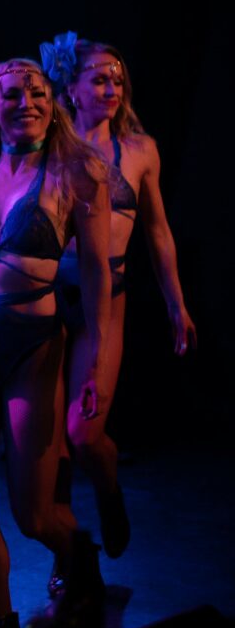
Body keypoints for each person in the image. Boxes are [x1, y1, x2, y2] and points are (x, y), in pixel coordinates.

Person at [0, 58, 110, 628]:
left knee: (33, 514)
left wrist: (95, 359)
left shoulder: (75, 175)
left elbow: (96, 271)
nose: (26, 103)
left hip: (35, 345)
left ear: (52, 104)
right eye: (11, 94)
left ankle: (78, 552)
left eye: (37, 93)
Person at [41, 33, 195, 562]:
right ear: (71, 88)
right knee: (50, 443)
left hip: (105, 301)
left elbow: (157, 231)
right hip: (47, 298)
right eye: (99, 79)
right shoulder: (51, 151)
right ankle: (67, 556)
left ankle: (108, 491)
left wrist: (176, 304)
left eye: (118, 80)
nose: (111, 88)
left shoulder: (139, 151)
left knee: (84, 434)